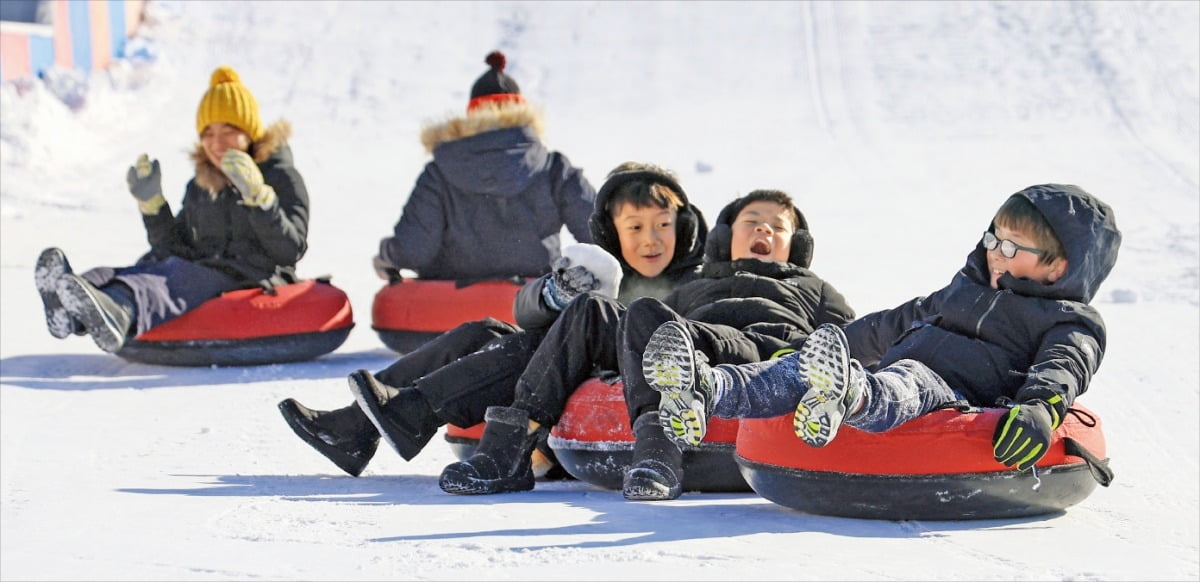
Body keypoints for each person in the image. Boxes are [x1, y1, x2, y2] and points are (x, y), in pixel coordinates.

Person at [644, 184, 1120, 476]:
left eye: (1012, 248)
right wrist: (814, 349)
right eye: (992, 239)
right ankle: (705, 387)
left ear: (1058, 268)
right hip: (891, 371)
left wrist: (1040, 405)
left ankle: (846, 399)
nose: (995, 253)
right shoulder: (961, 291)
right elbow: (890, 325)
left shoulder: (1068, 320)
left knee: (906, 381)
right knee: (795, 371)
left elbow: (1065, 365)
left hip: (956, 393)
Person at [278, 162, 707, 478]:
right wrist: (554, 294)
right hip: (558, 367)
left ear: (681, 225)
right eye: (634, 227)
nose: (650, 240)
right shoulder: (596, 269)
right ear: (612, 233)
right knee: (483, 331)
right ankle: (358, 425)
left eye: (662, 224)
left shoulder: (696, 279)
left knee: (528, 346)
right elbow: (523, 312)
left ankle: (402, 415)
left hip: (607, 385)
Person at [438, 189, 856, 500]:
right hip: (685, 347)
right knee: (600, 310)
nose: (764, 228)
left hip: (756, 353)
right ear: (727, 235)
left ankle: (659, 455)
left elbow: (842, 346)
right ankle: (508, 451)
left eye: (778, 226)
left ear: (796, 245)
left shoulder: (814, 288)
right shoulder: (697, 285)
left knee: (657, 323)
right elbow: (642, 326)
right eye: (752, 220)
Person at [35, 66, 309, 353]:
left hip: (253, 274)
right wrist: (153, 205)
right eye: (208, 134)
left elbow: (289, 249)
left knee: (174, 278)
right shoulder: (203, 185)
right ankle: (73, 303)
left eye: (229, 131)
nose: (216, 144)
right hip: (203, 268)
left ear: (250, 133)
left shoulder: (280, 176)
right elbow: (175, 247)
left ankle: (118, 310)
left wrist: (259, 197)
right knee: (144, 267)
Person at [372, 50, 596, 283]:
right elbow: (599, 233)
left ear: (471, 117)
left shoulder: (439, 172)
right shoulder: (554, 168)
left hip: (449, 307)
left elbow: (413, 250)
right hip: (536, 307)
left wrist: (386, 255)